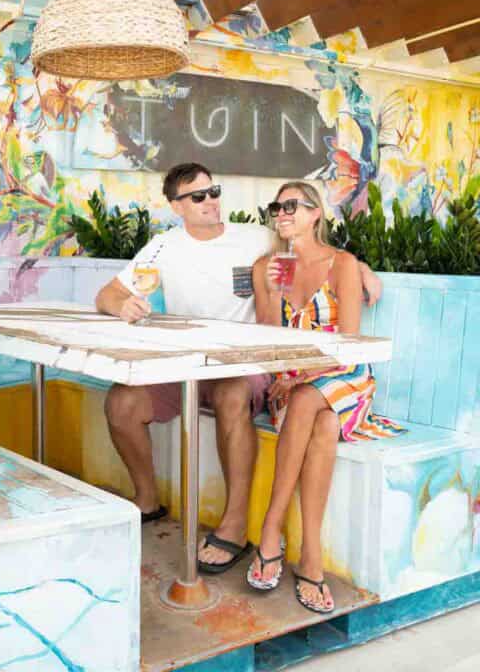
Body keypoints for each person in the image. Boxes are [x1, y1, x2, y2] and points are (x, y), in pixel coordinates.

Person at [96, 163, 383, 574]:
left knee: (234, 393)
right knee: (122, 401)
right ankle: (148, 501)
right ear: (177, 206)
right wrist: (120, 304)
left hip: (243, 367)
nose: (211, 201)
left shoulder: (253, 237)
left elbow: (306, 248)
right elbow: (107, 294)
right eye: (198, 196)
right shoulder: (162, 247)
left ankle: (237, 527)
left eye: (214, 191)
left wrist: (358, 269)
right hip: (186, 363)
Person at [248, 181, 405, 612]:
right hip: (294, 384)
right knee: (320, 422)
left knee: (307, 401)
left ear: (316, 213)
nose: (282, 213)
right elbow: (266, 337)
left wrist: (300, 378)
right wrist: (276, 293)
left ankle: (270, 529)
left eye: (292, 205)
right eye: (276, 207)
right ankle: (310, 556)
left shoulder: (343, 265)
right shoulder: (268, 266)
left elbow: (350, 344)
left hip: (343, 375)